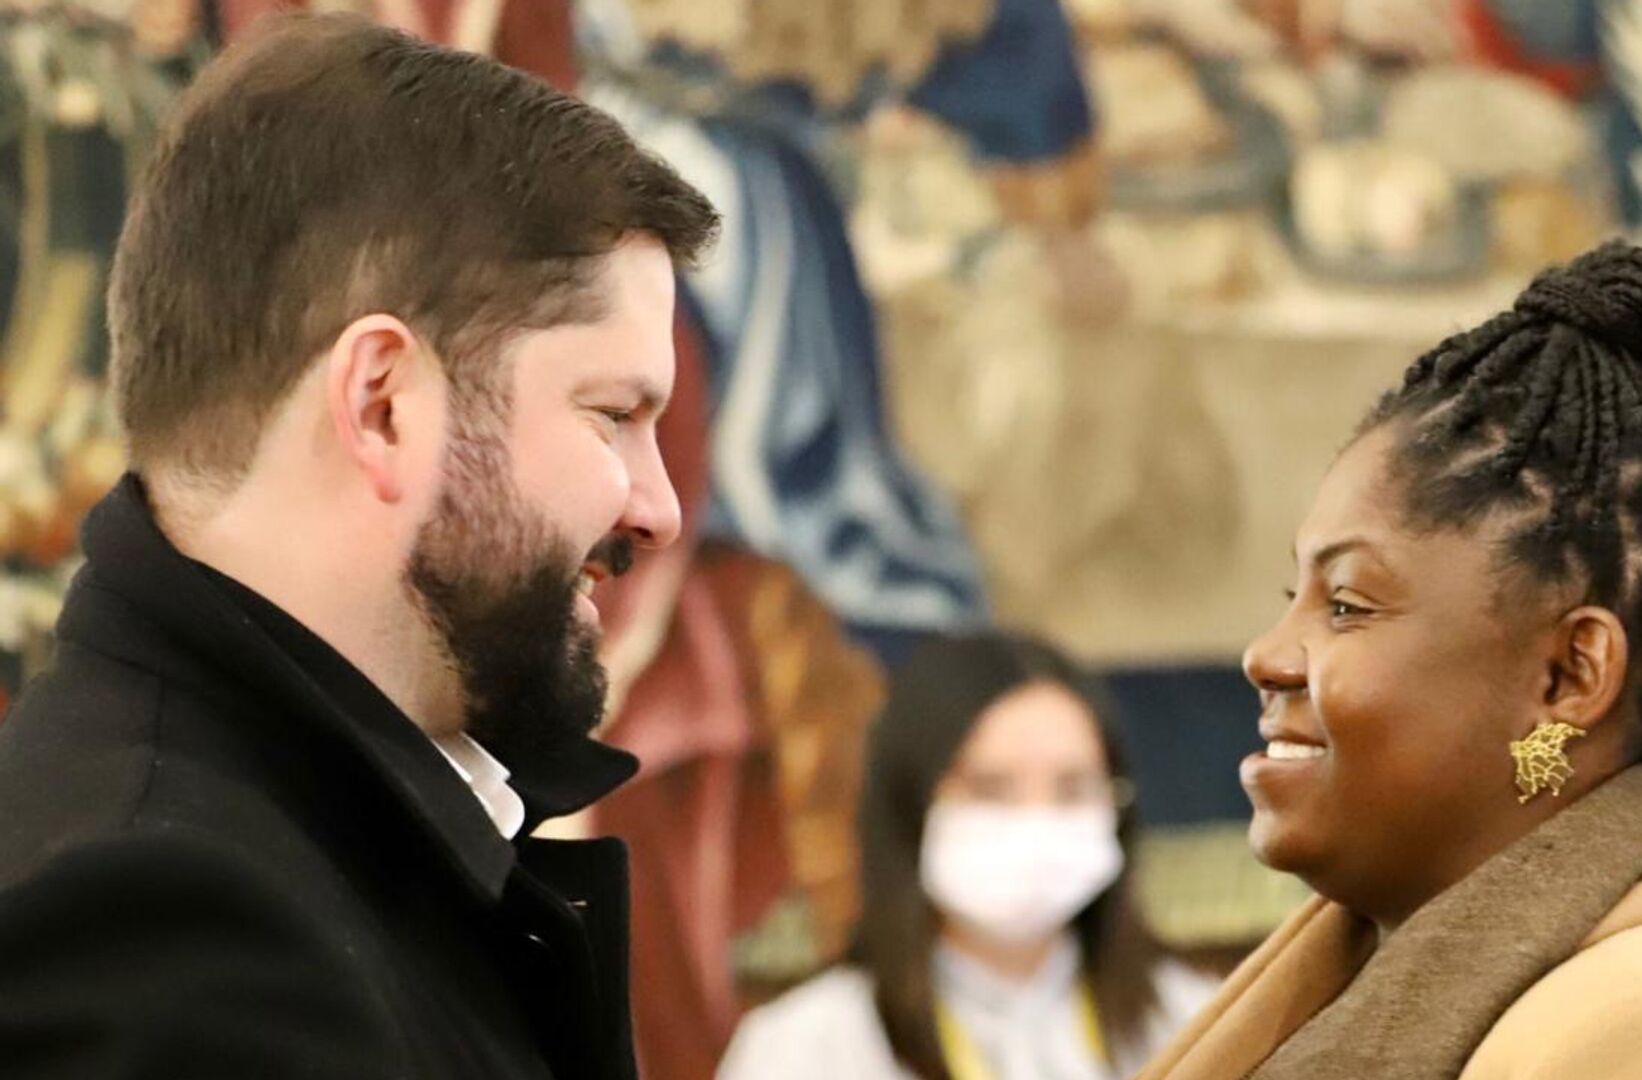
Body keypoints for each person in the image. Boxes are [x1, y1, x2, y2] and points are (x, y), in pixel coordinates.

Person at [0, 13, 717, 1079]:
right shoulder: (172, 942)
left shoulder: (311, 849)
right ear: (382, 404)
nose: (657, 508)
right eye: (612, 414)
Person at [1140, 242, 1642, 1080]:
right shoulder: (1413, 973)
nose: (1266, 657)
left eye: (1346, 605)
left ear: (1568, 677)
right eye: (1293, 602)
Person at [719, 632, 1217, 1079]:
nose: (1035, 822)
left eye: (1072, 788)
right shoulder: (804, 1049)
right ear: (912, 806)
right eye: (991, 788)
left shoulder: (1202, 1023)